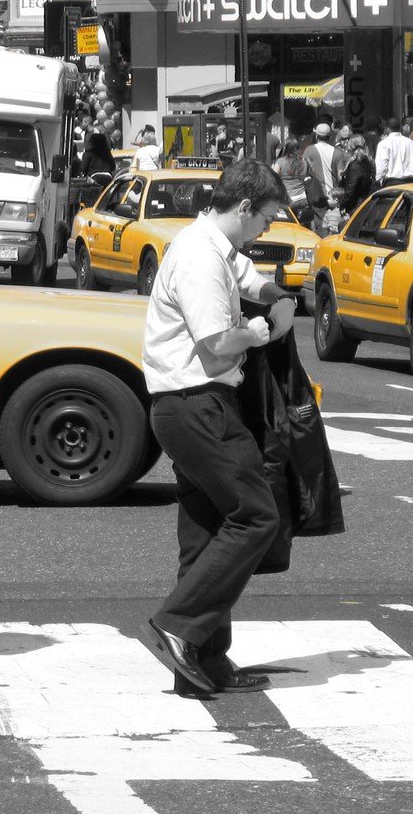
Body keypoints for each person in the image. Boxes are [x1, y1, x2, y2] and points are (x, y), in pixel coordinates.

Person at [141, 158, 294, 696]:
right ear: (245, 207)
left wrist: (279, 299)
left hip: (188, 405)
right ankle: (179, 623)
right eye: (267, 219)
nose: (268, 230)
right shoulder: (199, 259)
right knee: (256, 515)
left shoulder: (220, 250)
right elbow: (214, 345)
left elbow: (252, 280)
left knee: (205, 531)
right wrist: (256, 333)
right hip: (196, 403)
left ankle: (205, 661)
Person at [274, 138, 314, 224]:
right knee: (305, 225)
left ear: (285, 148)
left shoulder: (280, 162)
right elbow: (309, 176)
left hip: (289, 200)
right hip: (304, 199)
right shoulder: (305, 161)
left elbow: (273, 178)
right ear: (298, 148)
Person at [374, 116, 413, 183]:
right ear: (400, 128)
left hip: (391, 184)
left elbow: (382, 166)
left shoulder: (383, 144)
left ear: (387, 129)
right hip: (410, 183)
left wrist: (379, 181)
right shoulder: (411, 143)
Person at [305, 123, 336, 195]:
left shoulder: (309, 150)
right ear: (330, 136)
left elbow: (305, 170)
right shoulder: (337, 152)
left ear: (316, 136)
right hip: (334, 194)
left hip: (318, 193)